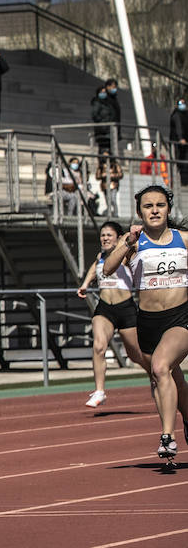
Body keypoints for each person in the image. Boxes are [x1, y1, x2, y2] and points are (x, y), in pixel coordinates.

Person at [101, 185, 188, 461]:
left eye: (160, 205)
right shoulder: (134, 241)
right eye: (148, 206)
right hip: (149, 321)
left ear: (168, 209)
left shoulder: (184, 239)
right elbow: (107, 268)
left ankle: (168, 436)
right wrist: (126, 241)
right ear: (140, 211)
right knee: (170, 378)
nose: (154, 210)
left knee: (161, 367)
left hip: (181, 316)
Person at [76, 221, 150, 408]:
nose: (105, 238)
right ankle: (100, 391)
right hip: (104, 308)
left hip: (125, 308)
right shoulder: (100, 256)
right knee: (99, 346)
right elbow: (94, 267)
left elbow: (133, 248)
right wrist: (85, 284)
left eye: (109, 235)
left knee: (135, 355)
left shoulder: (123, 255)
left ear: (117, 238)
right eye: (102, 235)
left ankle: (155, 375)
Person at [91, 84, 118, 156]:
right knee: (102, 148)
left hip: (109, 130)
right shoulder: (97, 102)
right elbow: (94, 115)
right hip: (102, 130)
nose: (104, 94)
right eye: (102, 92)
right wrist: (102, 123)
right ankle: (102, 163)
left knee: (109, 148)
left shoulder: (108, 103)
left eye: (105, 92)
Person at [170, 97, 187, 186]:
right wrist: (181, 138)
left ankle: (184, 181)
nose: (183, 106)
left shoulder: (185, 115)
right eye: (181, 104)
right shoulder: (176, 115)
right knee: (178, 161)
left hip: (184, 145)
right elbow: (178, 127)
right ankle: (176, 182)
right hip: (177, 143)